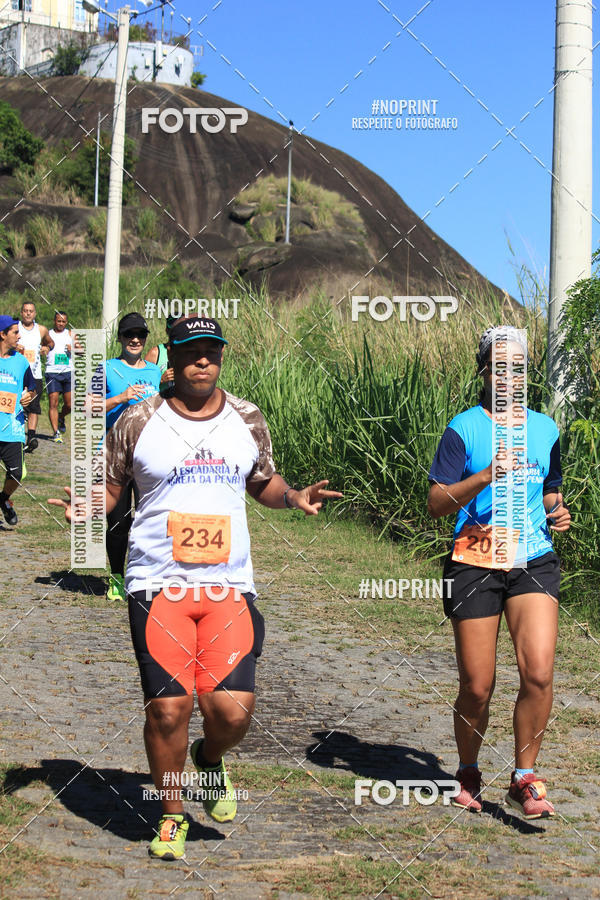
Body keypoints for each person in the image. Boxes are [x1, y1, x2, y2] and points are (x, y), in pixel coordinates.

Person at [50, 316, 342, 860]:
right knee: (168, 710)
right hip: (156, 582)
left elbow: (262, 480)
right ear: (171, 357)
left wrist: (294, 495)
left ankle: (208, 761)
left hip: (229, 584)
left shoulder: (247, 418)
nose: (201, 361)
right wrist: (86, 508)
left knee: (232, 712)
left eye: (210, 351)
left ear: (221, 356)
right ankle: (171, 815)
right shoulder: (137, 420)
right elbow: (111, 490)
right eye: (190, 352)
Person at [427, 325, 571, 820]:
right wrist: (484, 477)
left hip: (532, 559)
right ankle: (468, 768)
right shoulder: (463, 428)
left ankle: (525, 778)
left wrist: (558, 509)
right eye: (500, 366)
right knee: (477, 684)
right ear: (484, 371)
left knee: (538, 671)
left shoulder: (546, 428)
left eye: (519, 367)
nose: (509, 375)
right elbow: (435, 504)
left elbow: (550, 487)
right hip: (475, 560)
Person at [90, 312, 161, 602]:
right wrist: (119, 398)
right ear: (119, 338)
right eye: (129, 334)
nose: (135, 339)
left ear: (146, 339)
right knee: (119, 523)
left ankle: (145, 578)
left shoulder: (156, 373)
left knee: (150, 522)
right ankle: (117, 577)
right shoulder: (106, 368)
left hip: (149, 457)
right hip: (114, 456)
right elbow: (87, 408)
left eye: (140, 335)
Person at [0, 316, 35, 525]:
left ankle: (3, 499)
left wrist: (29, 396)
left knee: (17, 472)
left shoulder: (21, 361)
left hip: (12, 426)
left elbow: (32, 388)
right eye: (14, 332)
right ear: (2, 335)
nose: (19, 335)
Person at [17, 301, 54, 452]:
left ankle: (30, 438)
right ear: (21, 313)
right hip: (18, 372)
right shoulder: (15, 328)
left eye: (30, 311)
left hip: (35, 374)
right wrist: (14, 347)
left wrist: (46, 347)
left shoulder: (41, 330)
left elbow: (51, 343)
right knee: (17, 405)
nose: (28, 313)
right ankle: (14, 438)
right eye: (25, 310)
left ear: (35, 313)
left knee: (34, 407)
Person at [45, 311, 73, 443]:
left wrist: (73, 349)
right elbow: (43, 346)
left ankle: (61, 417)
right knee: (53, 402)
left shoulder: (71, 334)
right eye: (58, 321)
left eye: (63, 321)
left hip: (68, 372)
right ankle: (56, 432)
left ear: (66, 322)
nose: (61, 323)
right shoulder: (48, 334)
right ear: (54, 321)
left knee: (70, 404)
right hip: (52, 372)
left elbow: (82, 350)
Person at [145, 314, 176, 394]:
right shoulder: (155, 353)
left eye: (179, 329)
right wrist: (161, 380)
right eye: (172, 329)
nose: (175, 333)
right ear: (166, 330)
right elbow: (142, 385)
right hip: (160, 403)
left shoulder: (192, 353)